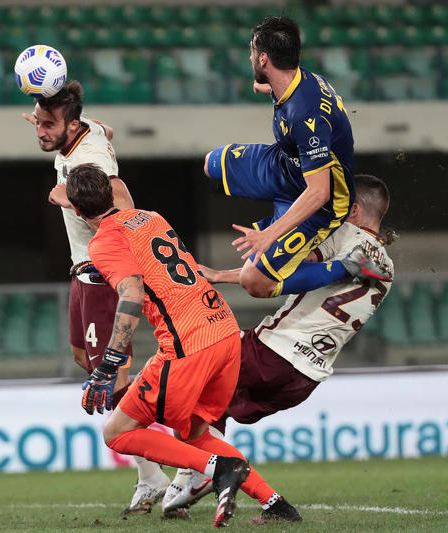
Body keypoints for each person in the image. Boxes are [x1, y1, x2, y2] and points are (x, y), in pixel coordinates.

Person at [66, 163, 298, 528]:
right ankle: (276, 504)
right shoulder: (150, 217)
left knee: (117, 432)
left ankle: (219, 469)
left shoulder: (103, 242)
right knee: (194, 432)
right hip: (224, 331)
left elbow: (131, 293)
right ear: (112, 195)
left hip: (189, 344)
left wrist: (110, 364)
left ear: (77, 211)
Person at [162, 174, 395, 522]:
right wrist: (223, 276)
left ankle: (199, 474)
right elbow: (307, 277)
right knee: (211, 402)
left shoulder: (343, 234)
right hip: (305, 378)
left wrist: (243, 265)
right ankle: (214, 484)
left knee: (188, 381)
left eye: (342, 205)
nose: (335, 210)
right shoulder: (387, 267)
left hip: (273, 351)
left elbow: (282, 271)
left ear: (355, 209)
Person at [23, 82, 168, 514]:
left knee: (112, 379)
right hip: (81, 269)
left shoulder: (90, 157)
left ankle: (155, 475)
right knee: (81, 356)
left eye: (48, 125)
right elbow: (105, 128)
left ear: (70, 125)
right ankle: (161, 459)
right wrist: (59, 119)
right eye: (38, 122)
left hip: (103, 272)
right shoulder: (83, 135)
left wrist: (70, 197)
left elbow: (123, 203)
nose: (39, 132)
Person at [204, 17, 389, 299]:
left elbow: (319, 191)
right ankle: (280, 237)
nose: (249, 56)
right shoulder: (298, 80)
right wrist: (266, 88)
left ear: (264, 59)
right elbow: (293, 102)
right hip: (284, 165)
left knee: (256, 283)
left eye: (252, 51)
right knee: (211, 164)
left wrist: (270, 235)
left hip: (321, 202)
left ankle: (353, 266)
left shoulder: (305, 114)